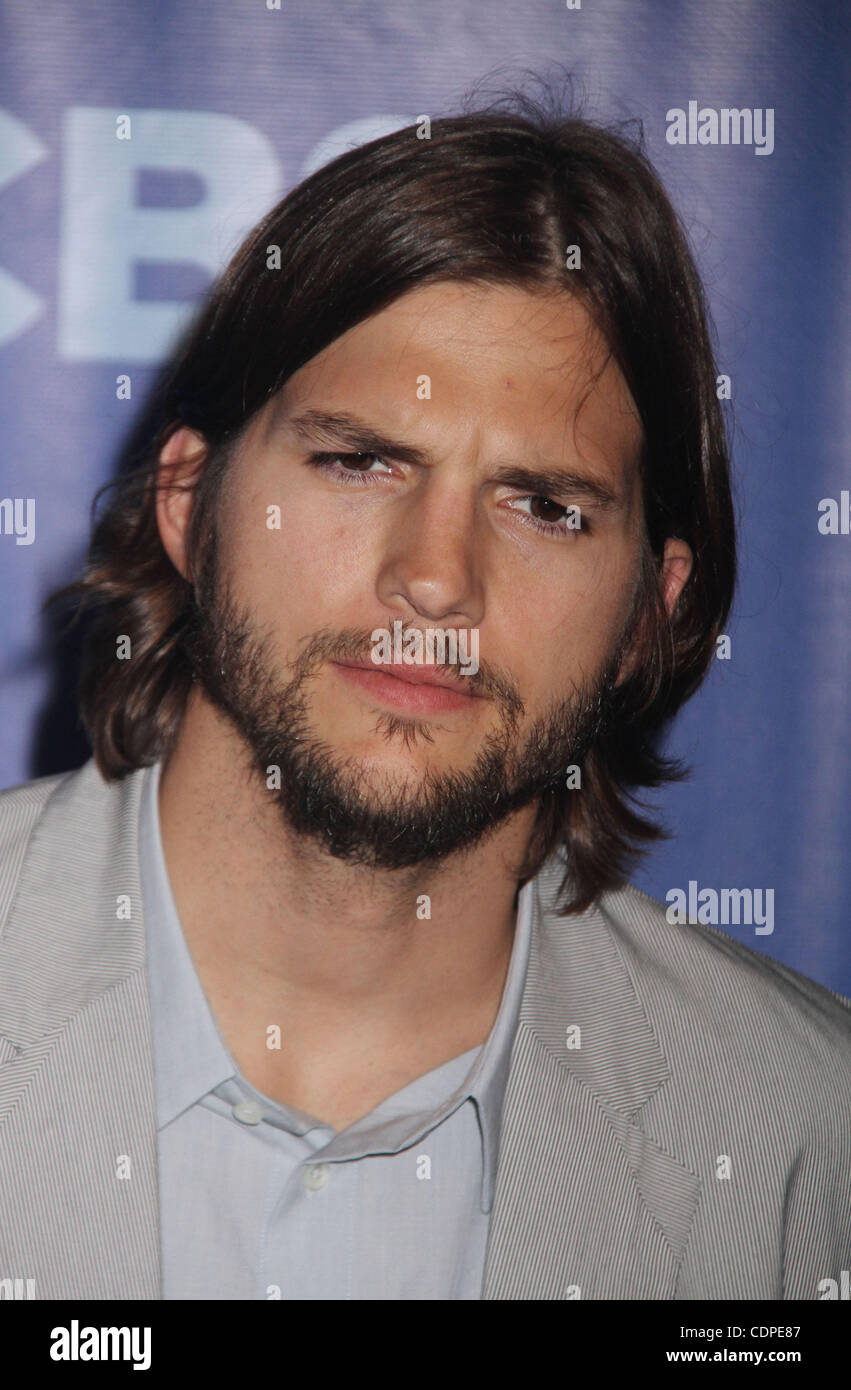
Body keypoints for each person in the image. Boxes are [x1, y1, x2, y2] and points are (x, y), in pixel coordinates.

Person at [1, 96, 849, 1302]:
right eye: (359, 461)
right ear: (189, 506)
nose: (435, 577)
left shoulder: (806, 1145)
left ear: (647, 614)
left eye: (545, 506)